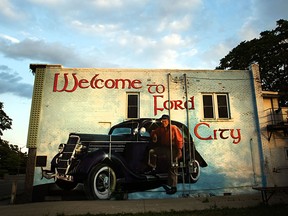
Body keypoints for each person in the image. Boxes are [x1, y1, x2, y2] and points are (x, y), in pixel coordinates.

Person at [147, 114, 183, 194]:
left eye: (165, 121)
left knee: (172, 166)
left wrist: (179, 150)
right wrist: (154, 135)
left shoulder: (174, 128)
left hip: (173, 148)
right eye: (162, 121)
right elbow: (153, 132)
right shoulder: (160, 129)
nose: (163, 122)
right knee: (152, 152)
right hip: (164, 148)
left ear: (168, 121)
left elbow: (179, 139)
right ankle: (153, 168)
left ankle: (173, 187)